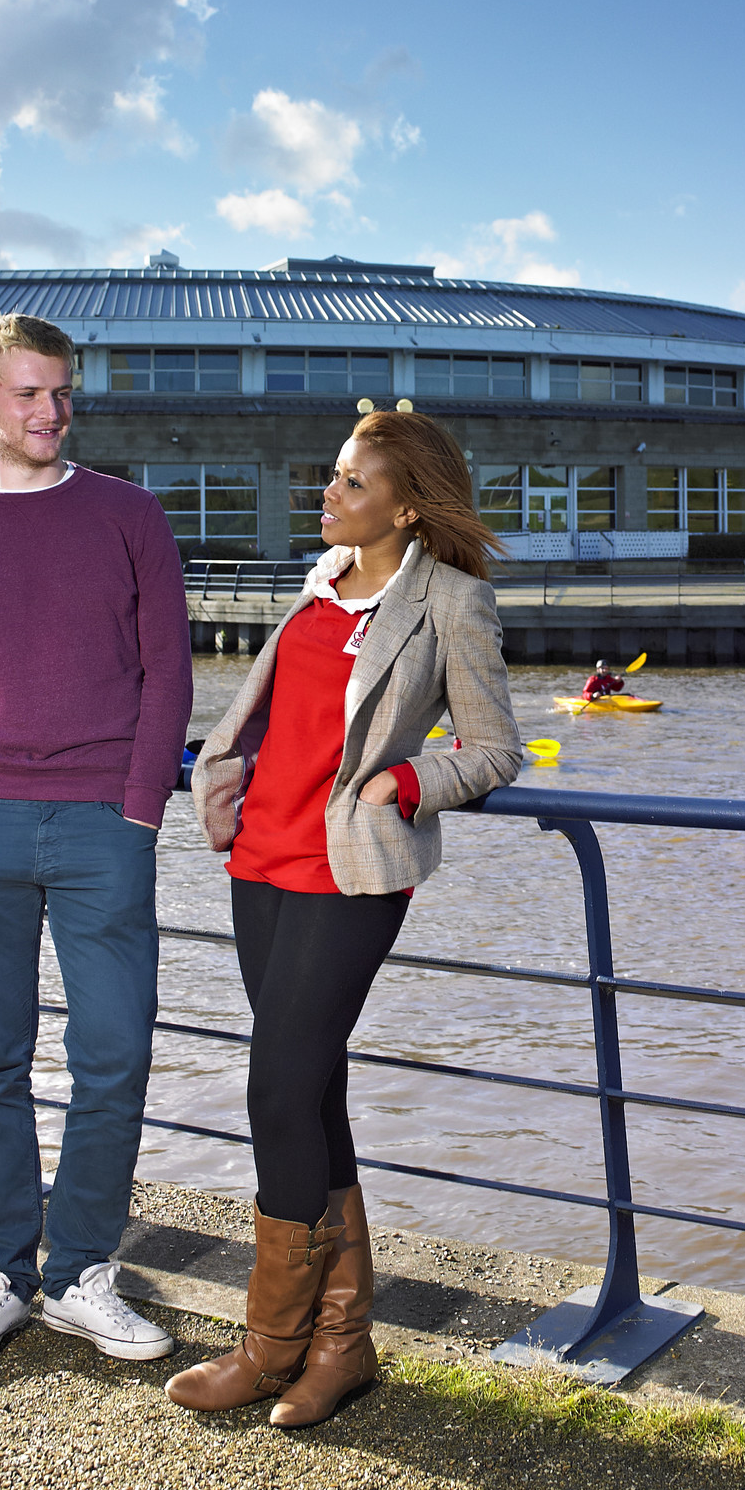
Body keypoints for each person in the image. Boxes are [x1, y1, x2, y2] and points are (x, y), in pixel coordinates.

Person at [175, 409, 524, 1428]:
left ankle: (267, 1346)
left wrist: (408, 780)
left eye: (352, 484)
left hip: (350, 873)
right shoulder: (318, 585)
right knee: (311, 1093)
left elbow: (494, 747)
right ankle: (341, 1342)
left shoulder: (450, 602)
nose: (327, 495)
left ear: (406, 505)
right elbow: (278, 714)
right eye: (331, 478)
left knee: (274, 1090)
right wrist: (222, 775)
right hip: (259, 861)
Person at [0, 312, 194, 1374]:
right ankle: (2, 1271)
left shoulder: (130, 515)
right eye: (25, 394)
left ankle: (82, 1274)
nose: (48, 412)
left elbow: (169, 676)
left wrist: (141, 807)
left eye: (60, 392)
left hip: (105, 823)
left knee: (114, 1052)